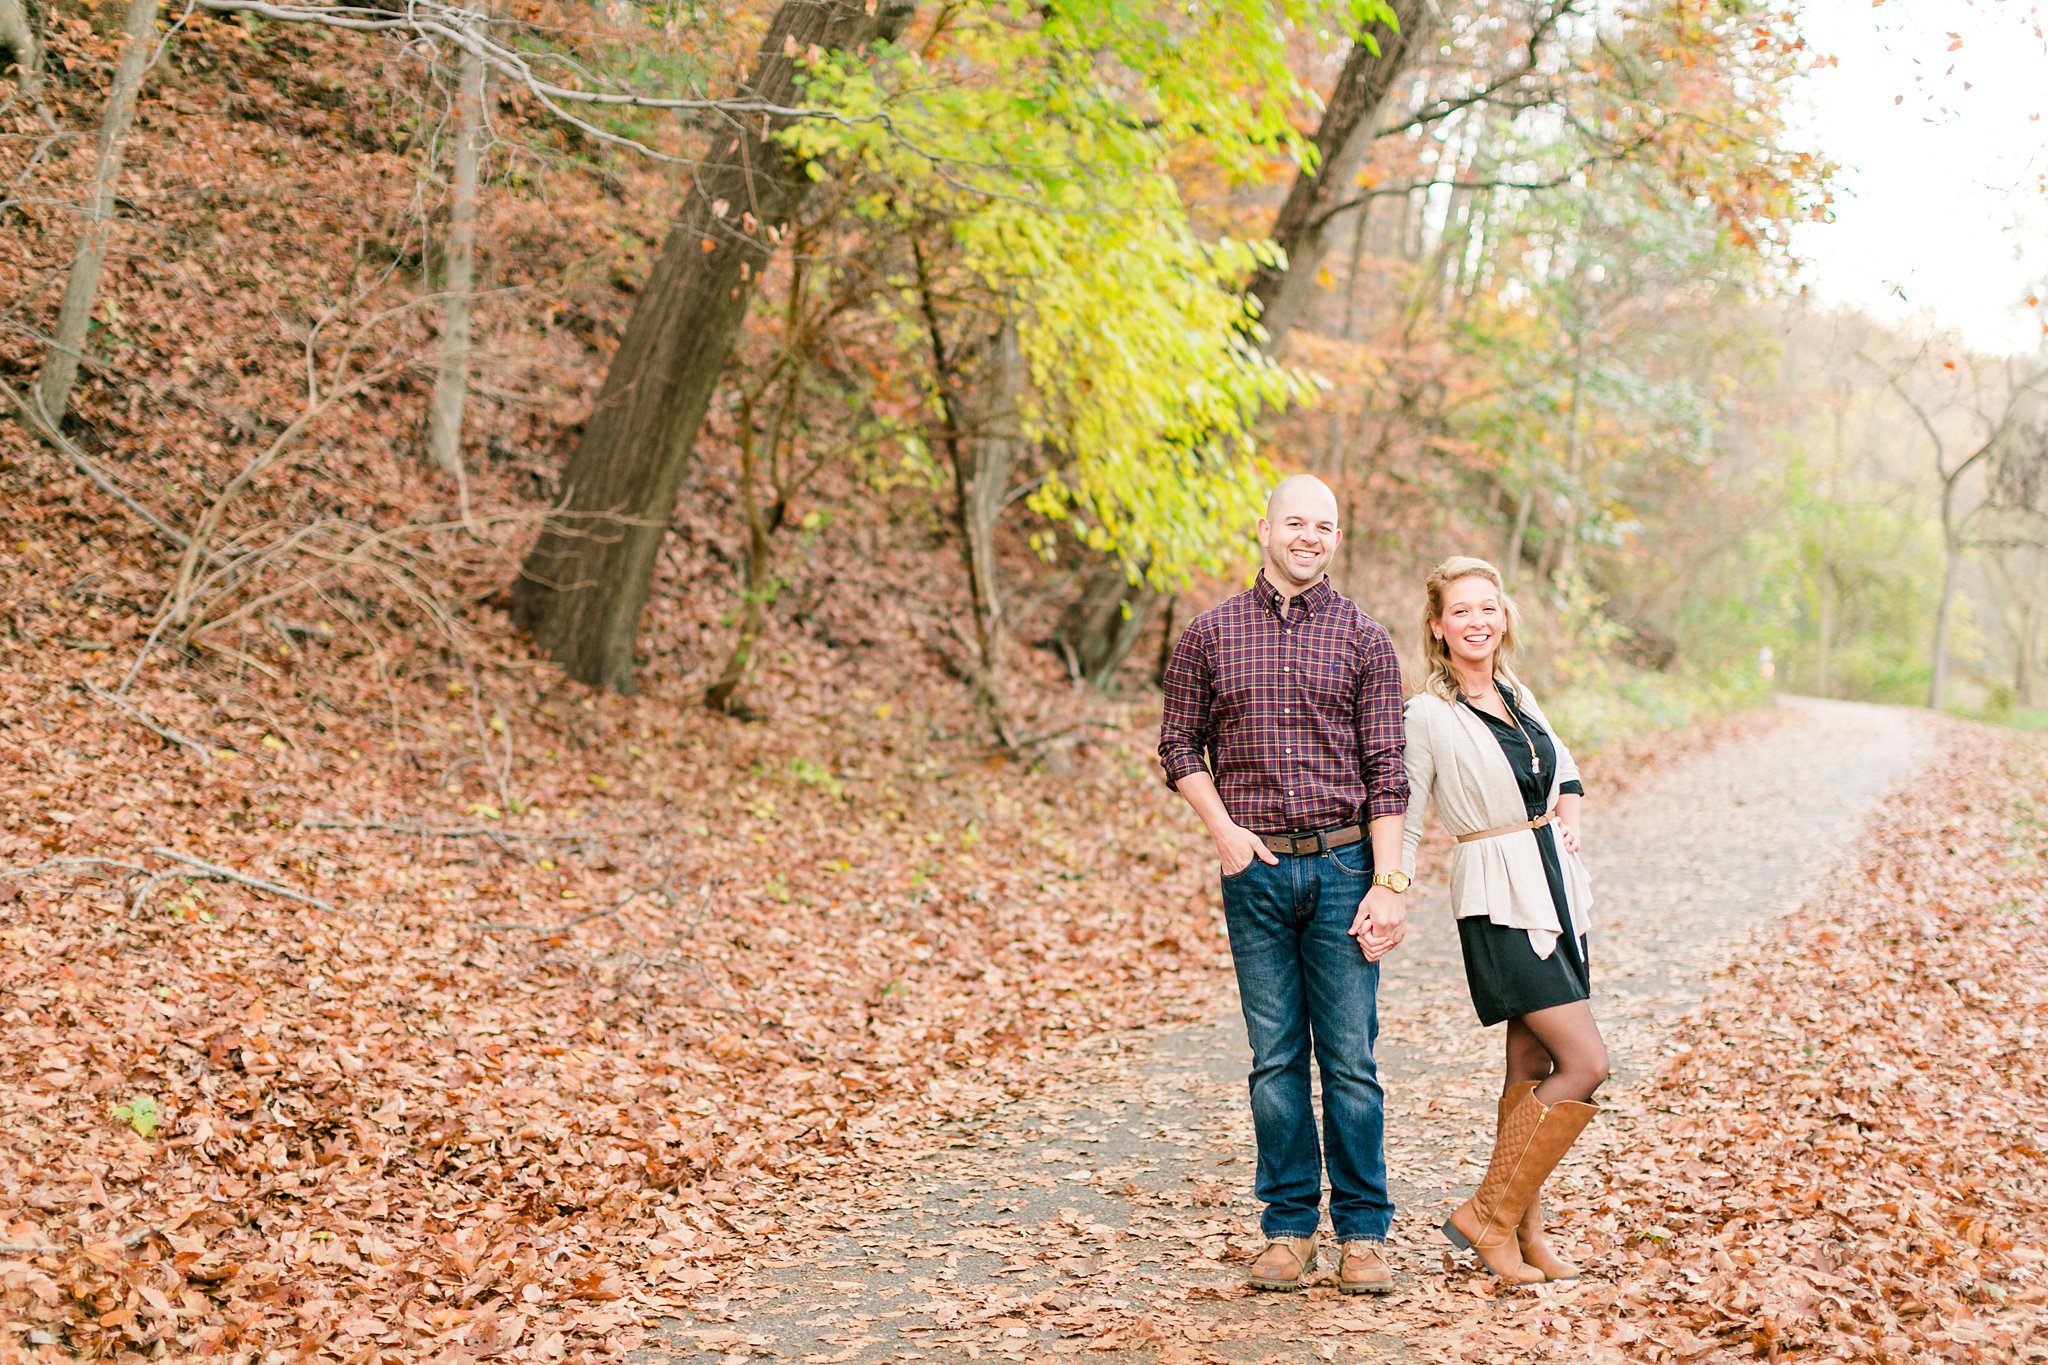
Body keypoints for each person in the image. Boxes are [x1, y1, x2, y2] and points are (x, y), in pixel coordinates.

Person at [1157, 475, 1412, 1296]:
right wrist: (1224, 832)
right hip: (1256, 870)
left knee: (1350, 1059)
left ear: (1338, 536)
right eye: (1296, 521)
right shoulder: (1209, 634)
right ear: (1264, 527)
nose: (1310, 536)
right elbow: (1177, 745)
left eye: (1325, 525)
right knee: (1273, 1060)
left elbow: (1388, 773)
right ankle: (1291, 1227)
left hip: (1344, 868)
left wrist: (1391, 883)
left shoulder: (1366, 639)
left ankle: (1364, 1234)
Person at [1398, 556, 1609, 1284]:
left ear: (1503, 616)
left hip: (1553, 887)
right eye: (1462, 610)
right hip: (1495, 892)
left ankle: (1523, 1230)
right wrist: (1390, 888)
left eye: (1489, 606)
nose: (1478, 620)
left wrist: (1570, 817)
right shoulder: (1428, 714)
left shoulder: (1519, 693)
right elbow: (1403, 815)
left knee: (1530, 1065)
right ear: (1438, 627)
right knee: (1586, 1063)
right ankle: (1488, 1213)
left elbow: (1567, 770)